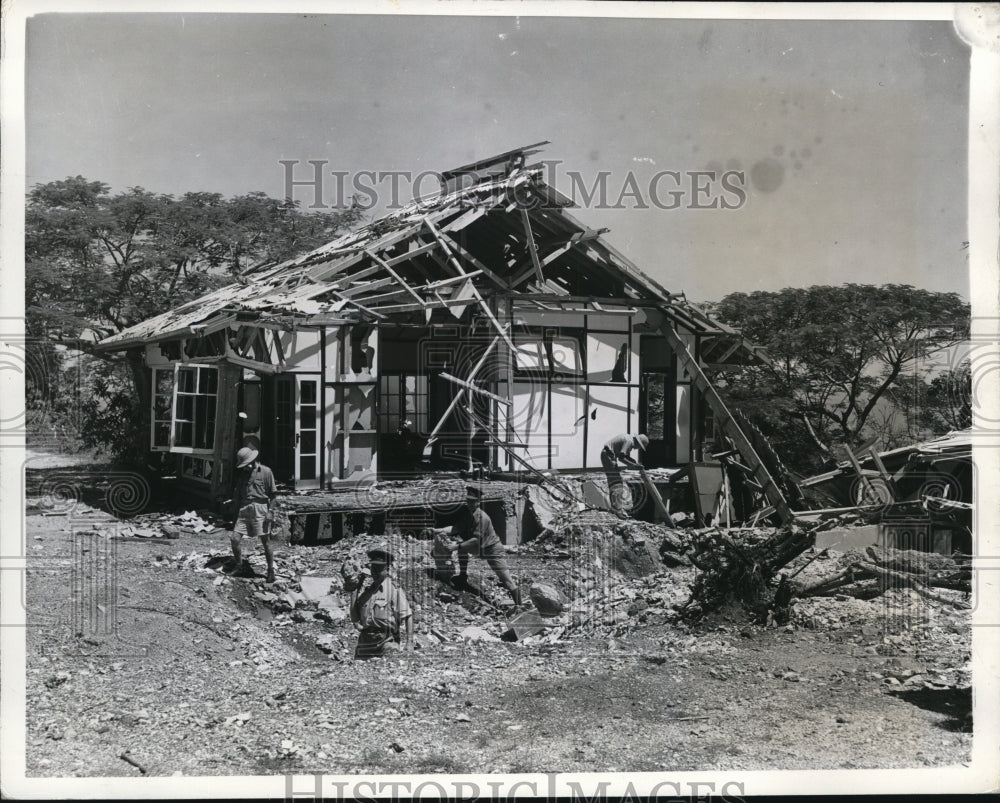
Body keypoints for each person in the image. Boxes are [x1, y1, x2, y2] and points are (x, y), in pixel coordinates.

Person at [428, 486, 522, 607]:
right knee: (459, 542)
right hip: (479, 549)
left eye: (473, 501)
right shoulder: (468, 514)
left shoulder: (483, 518)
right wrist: (437, 530)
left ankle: (520, 607)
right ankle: (463, 576)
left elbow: (476, 540)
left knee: (507, 580)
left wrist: (457, 546)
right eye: (468, 501)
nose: (470, 504)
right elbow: (456, 528)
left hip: (492, 549)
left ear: (478, 502)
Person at [345, 548, 413, 659]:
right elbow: (355, 619)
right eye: (373, 568)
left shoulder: (393, 590)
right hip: (365, 640)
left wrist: (409, 642)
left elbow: (408, 615)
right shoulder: (367, 592)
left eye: (379, 568)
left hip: (387, 639)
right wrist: (354, 591)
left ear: (387, 569)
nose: (375, 572)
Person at [228, 446, 278, 583]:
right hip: (244, 508)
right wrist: (234, 512)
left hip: (261, 508)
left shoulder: (266, 472)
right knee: (234, 539)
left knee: (265, 541)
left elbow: (273, 495)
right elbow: (237, 495)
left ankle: (270, 570)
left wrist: (270, 512)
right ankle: (239, 566)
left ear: (253, 460)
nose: (246, 467)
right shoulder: (243, 474)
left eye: (247, 464)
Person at [600, 433, 649, 517]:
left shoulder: (628, 439)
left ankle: (616, 507)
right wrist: (633, 465)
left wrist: (634, 463)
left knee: (616, 482)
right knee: (616, 482)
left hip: (609, 455)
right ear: (638, 443)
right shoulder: (629, 441)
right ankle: (617, 509)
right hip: (608, 455)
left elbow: (624, 457)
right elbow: (622, 458)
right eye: (640, 447)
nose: (638, 449)